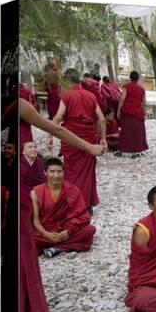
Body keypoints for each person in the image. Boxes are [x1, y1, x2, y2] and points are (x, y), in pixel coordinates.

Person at [10, 98, 105, 312]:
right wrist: (90, 147)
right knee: (23, 252)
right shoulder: (17, 103)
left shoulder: (68, 188)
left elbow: (81, 217)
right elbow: (57, 127)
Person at [53, 68, 106, 211]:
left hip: (71, 138)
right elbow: (101, 118)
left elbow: (58, 116)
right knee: (87, 173)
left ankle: (72, 204)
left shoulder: (66, 94)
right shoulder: (91, 96)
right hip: (89, 137)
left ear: (67, 81)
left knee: (71, 171)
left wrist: (50, 133)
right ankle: (86, 205)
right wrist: (103, 139)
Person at [31, 158, 96, 257]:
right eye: (52, 172)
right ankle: (64, 247)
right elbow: (35, 221)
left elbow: (83, 216)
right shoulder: (36, 192)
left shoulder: (72, 190)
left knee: (90, 230)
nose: (56, 175)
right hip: (45, 232)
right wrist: (46, 234)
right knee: (26, 237)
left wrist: (68, 232)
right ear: (45, 172)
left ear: (63, 172)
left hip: (64, 231)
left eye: (59, 171)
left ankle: (57, 248)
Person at [117, 71, 148, 157]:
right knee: (138, 132)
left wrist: (118, 111)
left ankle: (122, 150)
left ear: (130, 78)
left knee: (125, 131)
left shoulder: (127, 86)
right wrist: (144, 113)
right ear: (138, 78)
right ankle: (137, 151)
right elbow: (144, 103)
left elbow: (122, 99)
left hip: (127, 111)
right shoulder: (141, 89)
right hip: (138, 112)